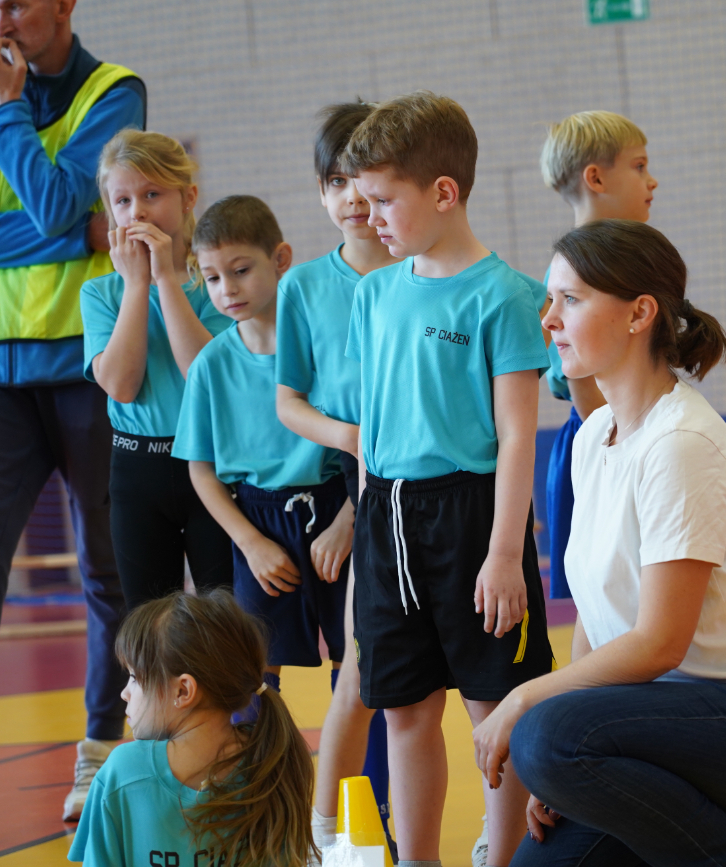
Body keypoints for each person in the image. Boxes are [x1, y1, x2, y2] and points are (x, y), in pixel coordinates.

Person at [472, 221, 726, 867]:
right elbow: (594, 610)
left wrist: (532, 703)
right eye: (551, 298)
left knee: (544, 733)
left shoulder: (680, 445)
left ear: (640, 312)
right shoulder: (594, 437)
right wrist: (563, 770)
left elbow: (659, 642)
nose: (548, 318)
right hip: (655, 730)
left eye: (571, 299)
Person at [0, 0, 145, 821]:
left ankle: (99, 750)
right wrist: (72, 232)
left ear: (65, 4)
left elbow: (48, 205)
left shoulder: (114, 93)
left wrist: (9, 110)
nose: (3, 14)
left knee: (105, 568)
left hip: (85, 362)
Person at [341, 91, 554, 867]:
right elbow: (370, 426)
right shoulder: (373, 294)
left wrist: (504, 551)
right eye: (362, 202)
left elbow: (517, 432)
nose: (370, 218)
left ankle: (502, 859)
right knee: (402, 707)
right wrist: (362, 521)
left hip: (471, 513)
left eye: (383, 200)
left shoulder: (505, 295)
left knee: (492, 706)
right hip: (386, 513)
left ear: (443, 191)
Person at [274, 101, 400, 857]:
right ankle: (328, 834)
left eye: (360, 177)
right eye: (333, 180)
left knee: (447, 684)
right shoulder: (303, 288)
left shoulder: (427, 271)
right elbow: (290, 402)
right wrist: (350, 440)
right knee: (361, 667)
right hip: (360, 489)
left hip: (435, 489)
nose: (349, 196)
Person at [173, 196, 355, 714]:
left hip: (336, 509)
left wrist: (349, 520)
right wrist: (250, 543)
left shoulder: (326, 348)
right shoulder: (211, 365)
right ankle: (266, 796)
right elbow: (200, 470)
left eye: (240, 270)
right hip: (259, 522)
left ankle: (372, 797)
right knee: (252, 683)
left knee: (361, 672)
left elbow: (367, 445)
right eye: (211, 278)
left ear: (280, 259)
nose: (226, 289)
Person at [82, 130, 234, 612]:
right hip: (137, 468)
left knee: (225, 613)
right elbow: (122, 387)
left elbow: (205, 377)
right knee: (149, 621)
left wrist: (166, 277)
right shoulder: (102, 294)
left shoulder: (216, 282)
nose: (138, 212)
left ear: (188, 197)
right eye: (122, 200)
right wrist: (136, 286)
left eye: (152, 194)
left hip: (211, 463)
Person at [68, 589, 315, 867]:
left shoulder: (123, 772)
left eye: (136, 678)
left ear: (183, 690)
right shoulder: (270, 761)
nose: (125, 693)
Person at [536, 111, 657, 600]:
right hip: (600, 438)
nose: (652, 180)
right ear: (596, 178)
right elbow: (577, 372)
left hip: (630, 428)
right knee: (607, 589)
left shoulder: (627, 254)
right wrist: (614, 448)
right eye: (640, 166)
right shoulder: (577, 264)